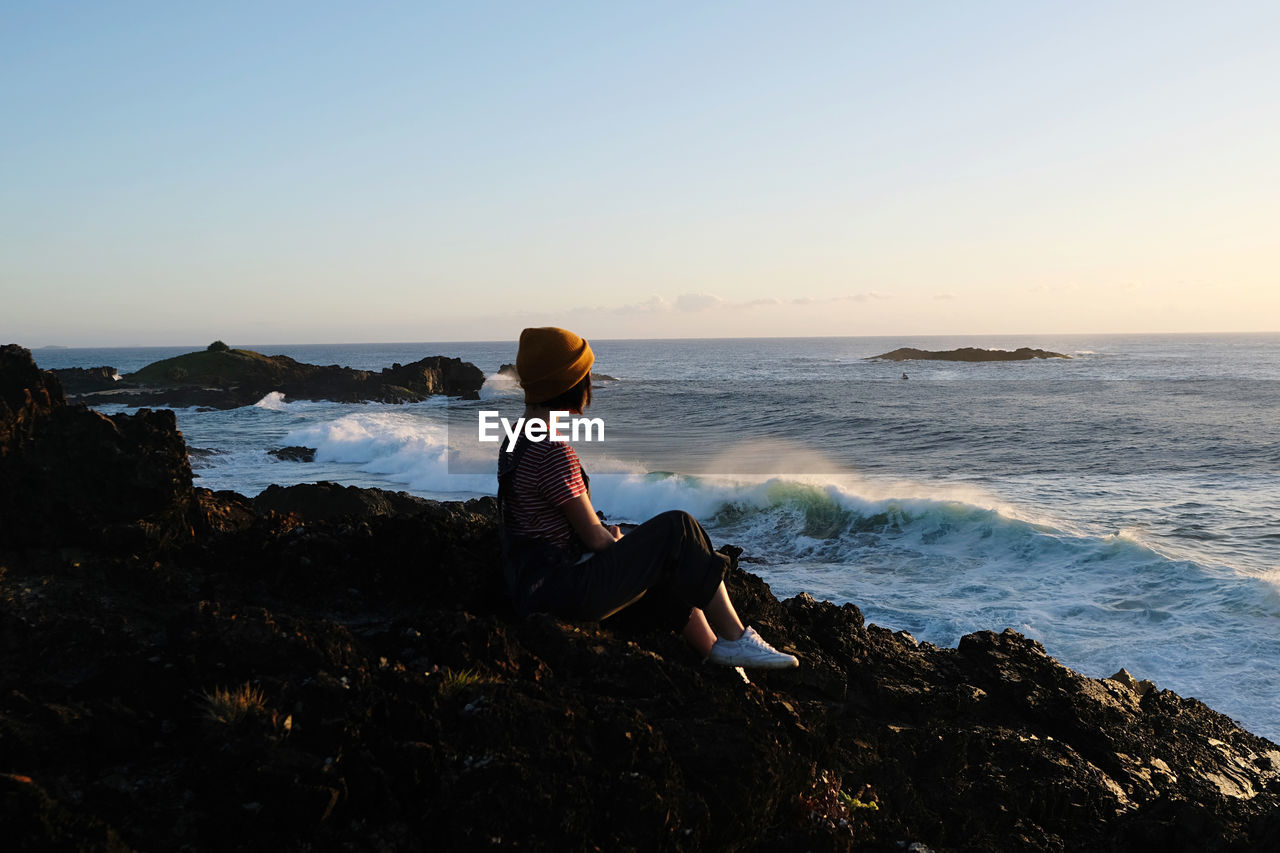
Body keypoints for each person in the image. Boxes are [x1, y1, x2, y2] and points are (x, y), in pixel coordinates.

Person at [496, 326, 798, 670]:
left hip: (530, 588)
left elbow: (548, 521)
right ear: (569, 382)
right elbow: (593, 538)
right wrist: (614, 538)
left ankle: (718, 655)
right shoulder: (551, 451)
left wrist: (623, 540)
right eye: (585, 373)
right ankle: (734, 638)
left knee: (666, 554)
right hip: (563, 591)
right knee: (678, 529)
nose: (590, 381)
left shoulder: (514, 441)